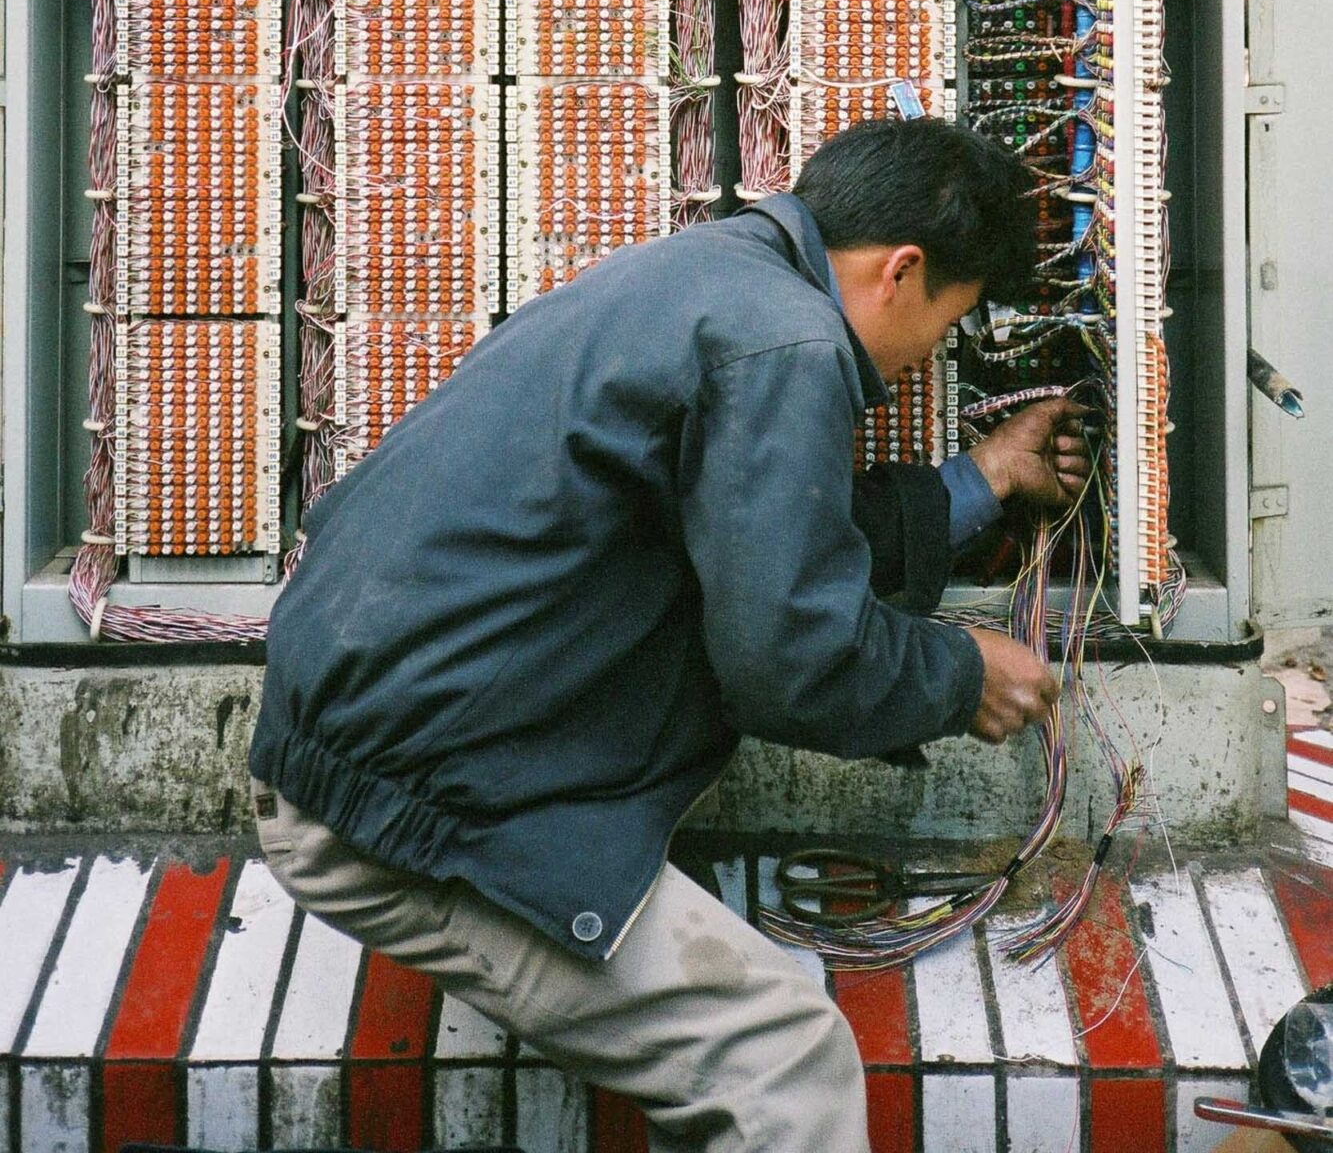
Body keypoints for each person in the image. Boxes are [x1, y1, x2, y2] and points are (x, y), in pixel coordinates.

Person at [250, 116, 1086, 1152]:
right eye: (947, 325)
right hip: (408, 805)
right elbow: (791, 654)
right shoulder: (789, 341)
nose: (928, 361)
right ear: (902, 269)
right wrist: (960, 672)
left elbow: (754, 532)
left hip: (383, 756)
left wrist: (981, 480)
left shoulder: (710, 276)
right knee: (780, 1058)